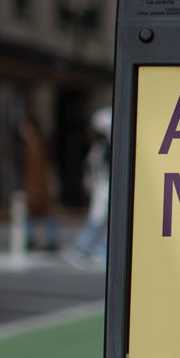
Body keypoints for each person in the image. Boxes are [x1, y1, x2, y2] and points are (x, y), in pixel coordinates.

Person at [65, 107, 112, 268]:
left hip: (103, 187)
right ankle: (81, 248)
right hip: (104, 187)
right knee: (98, 220)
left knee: (107, 221)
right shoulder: (104, 146)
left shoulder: (100, 146)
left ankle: (99, 249)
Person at [18, 110, 60, 252]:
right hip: (37, 186)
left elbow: (38, 170)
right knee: (38, 213)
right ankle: (35, 238)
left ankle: (39, 239)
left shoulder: (34, 145)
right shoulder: (34, 144)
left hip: (38, 186)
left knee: (42, 212)